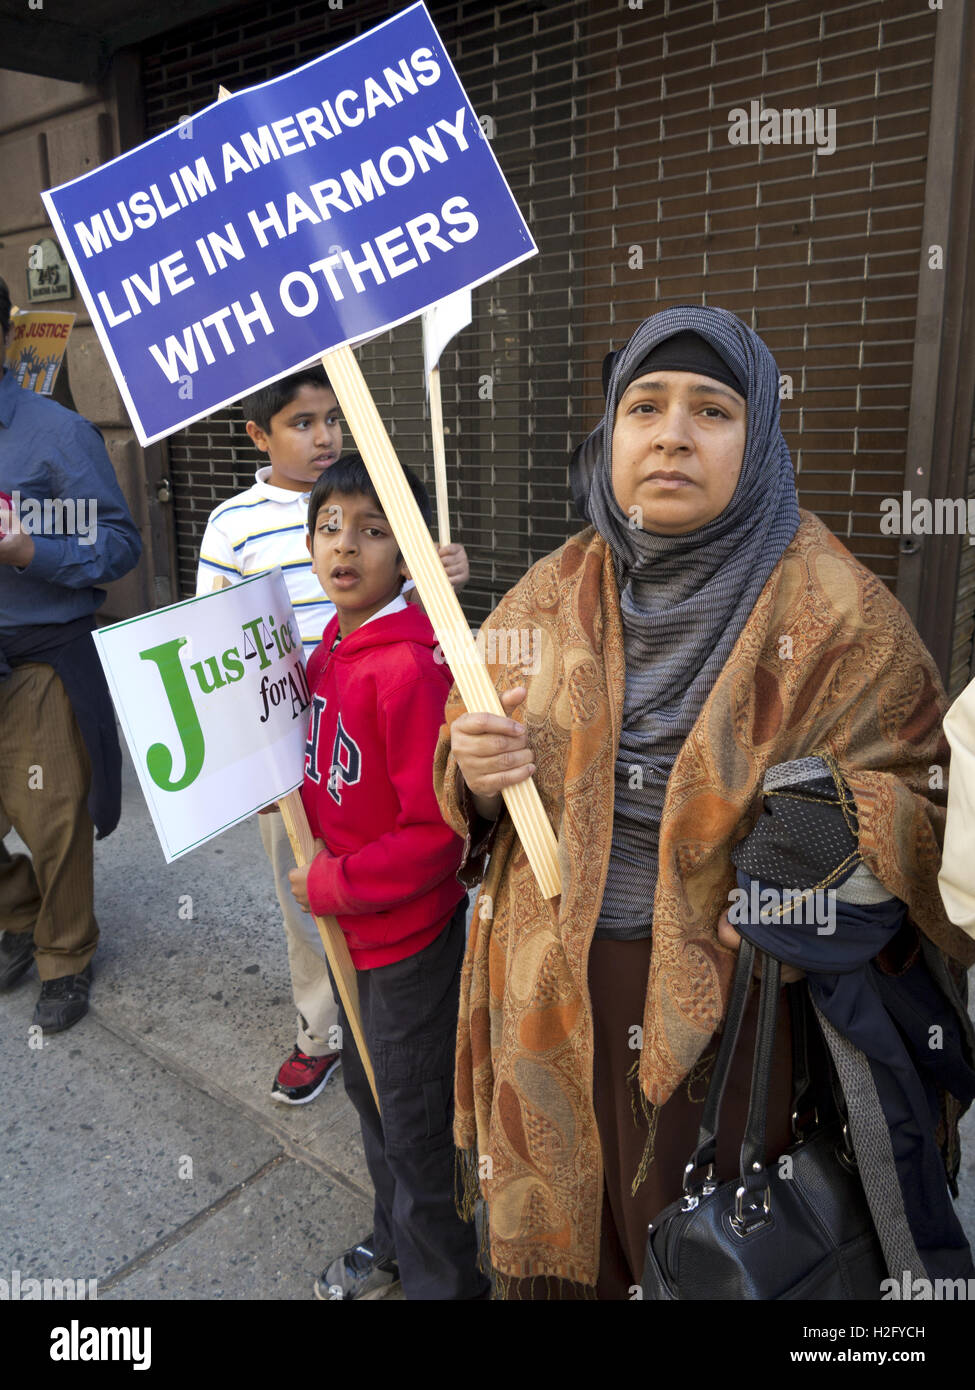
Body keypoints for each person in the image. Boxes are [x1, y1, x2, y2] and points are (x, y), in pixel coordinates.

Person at [433, 304, 975, 1298]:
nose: (672, 432)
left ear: (757, 438)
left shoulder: (843, 614)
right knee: (577, 1241)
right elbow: (463, 764)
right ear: (611, 436)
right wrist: (471, 770)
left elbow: (939, 804)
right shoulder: (547, 595)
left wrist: (833, 830)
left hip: (743, 1024)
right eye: (644, 407)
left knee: (714, 1253)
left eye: (712, 410)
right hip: (553, 999)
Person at [196, 367, 469, 1104]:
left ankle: (383, 1051)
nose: (322, 436)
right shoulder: (233, 524)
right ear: (260, 435)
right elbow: (208, 645)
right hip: (297, 759)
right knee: (307, 905)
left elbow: (414, 613)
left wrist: (439, 575)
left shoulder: (376, 507)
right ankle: (321, 1031)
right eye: (301, 423)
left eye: (331, 420)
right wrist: (243, 768)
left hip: (370, 752)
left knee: (367, 916)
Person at [288, 454, 488, 1300]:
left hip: (404, 946)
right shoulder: (331, 644)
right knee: (373, 1108)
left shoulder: (405, 666)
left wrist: (333, 885)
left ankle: (447, 1280)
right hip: (352, 941)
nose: (346, 547)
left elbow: (435, 836)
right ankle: (393, 1243)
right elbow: (328, 767)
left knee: (415, 1130)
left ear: (407, 557)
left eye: (373, 532)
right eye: (329, 526)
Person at [0, 274, 142, 1032]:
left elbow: (119, 545)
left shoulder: (55, 436)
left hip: (38, 660)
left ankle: (63, 953)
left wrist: (32, 550)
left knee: (53, 819)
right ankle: (17, 914)